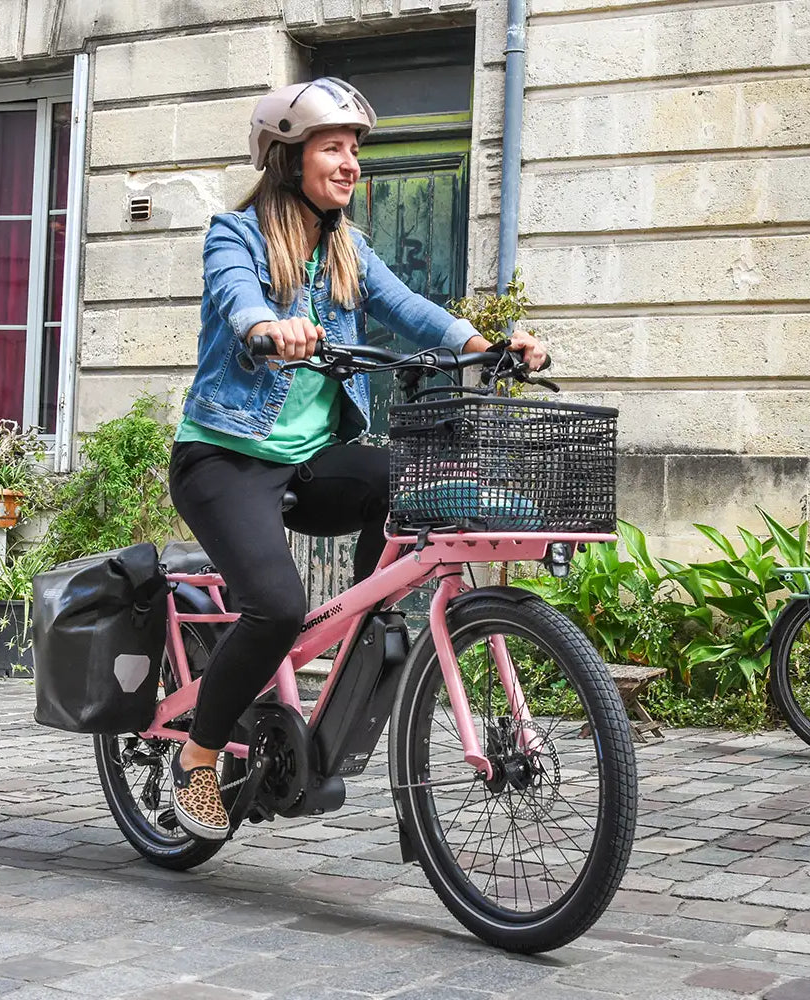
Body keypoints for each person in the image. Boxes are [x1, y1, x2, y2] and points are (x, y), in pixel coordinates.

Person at [165, 77, 548, 840]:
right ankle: (198, 759)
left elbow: (411, 311)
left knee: (405, 482)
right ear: (285, 158)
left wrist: (488, 347)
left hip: (309, 463)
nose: (350, 165)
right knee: (274, 607)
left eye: (354, 151)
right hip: (224, 460)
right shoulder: (234, 236)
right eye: (332, 148)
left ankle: (368, 629)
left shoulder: (348, 250)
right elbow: (235, 295)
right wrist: (269, 326)